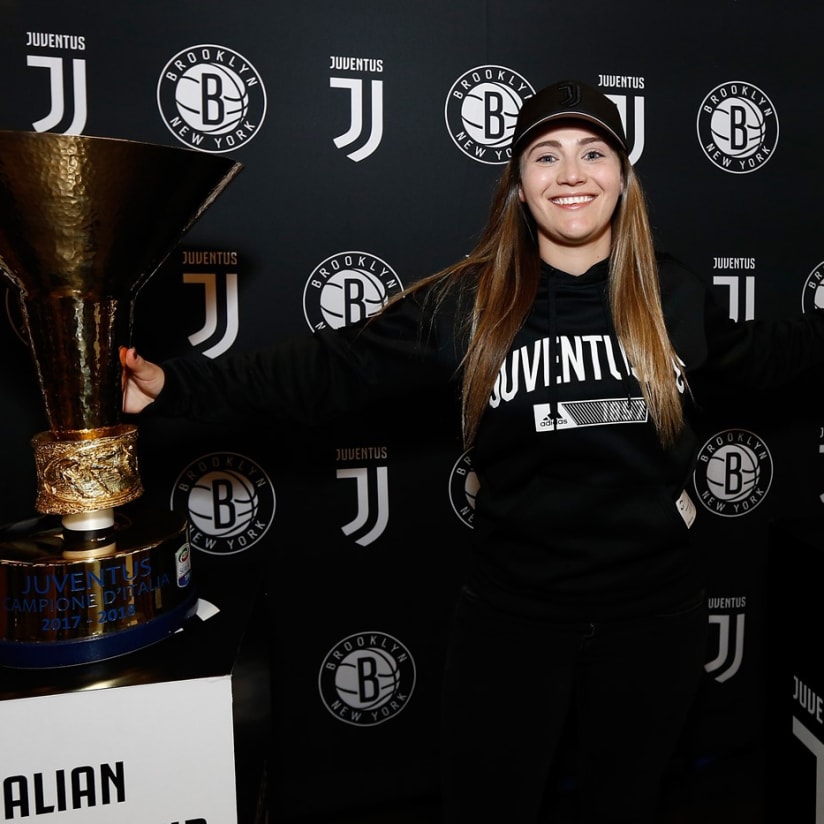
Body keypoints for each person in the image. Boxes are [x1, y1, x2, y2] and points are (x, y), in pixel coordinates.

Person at [121, 79, 824, 823]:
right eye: (546, 156)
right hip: (514, 622)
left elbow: (769, 356)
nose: (572, 174)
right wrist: (173, 385)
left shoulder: (673, 295)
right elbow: (325, 372)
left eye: (594, 152)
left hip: (653, 620)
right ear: (519, 185)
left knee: (628, 806)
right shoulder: (469, 302)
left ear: (622, 176)